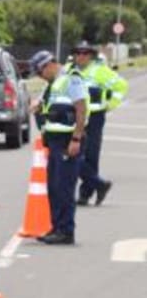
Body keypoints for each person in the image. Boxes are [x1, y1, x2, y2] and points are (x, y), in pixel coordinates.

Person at [29, 50, 88, 245]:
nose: (39, 76)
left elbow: (81, 108)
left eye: (39, 72)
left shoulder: (72, 78)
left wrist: (76, 139)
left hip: (67, 141)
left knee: (64, 188)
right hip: (54, 143)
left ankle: (66, 230)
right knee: (54, 187)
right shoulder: (54, 83)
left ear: (49, 65)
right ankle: (56, 227)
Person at [65, 41, 128, 206]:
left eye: (85, 53)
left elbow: (121, 86)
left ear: (91, 55)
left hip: (94, 117)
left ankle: (85, 194)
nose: (81, 56)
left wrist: (110, 105)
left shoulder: (100, 71)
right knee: (72, 153)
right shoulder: (68, 71)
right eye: (78, 53)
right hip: (74, 117)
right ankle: (99, 184)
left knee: (91, 155)